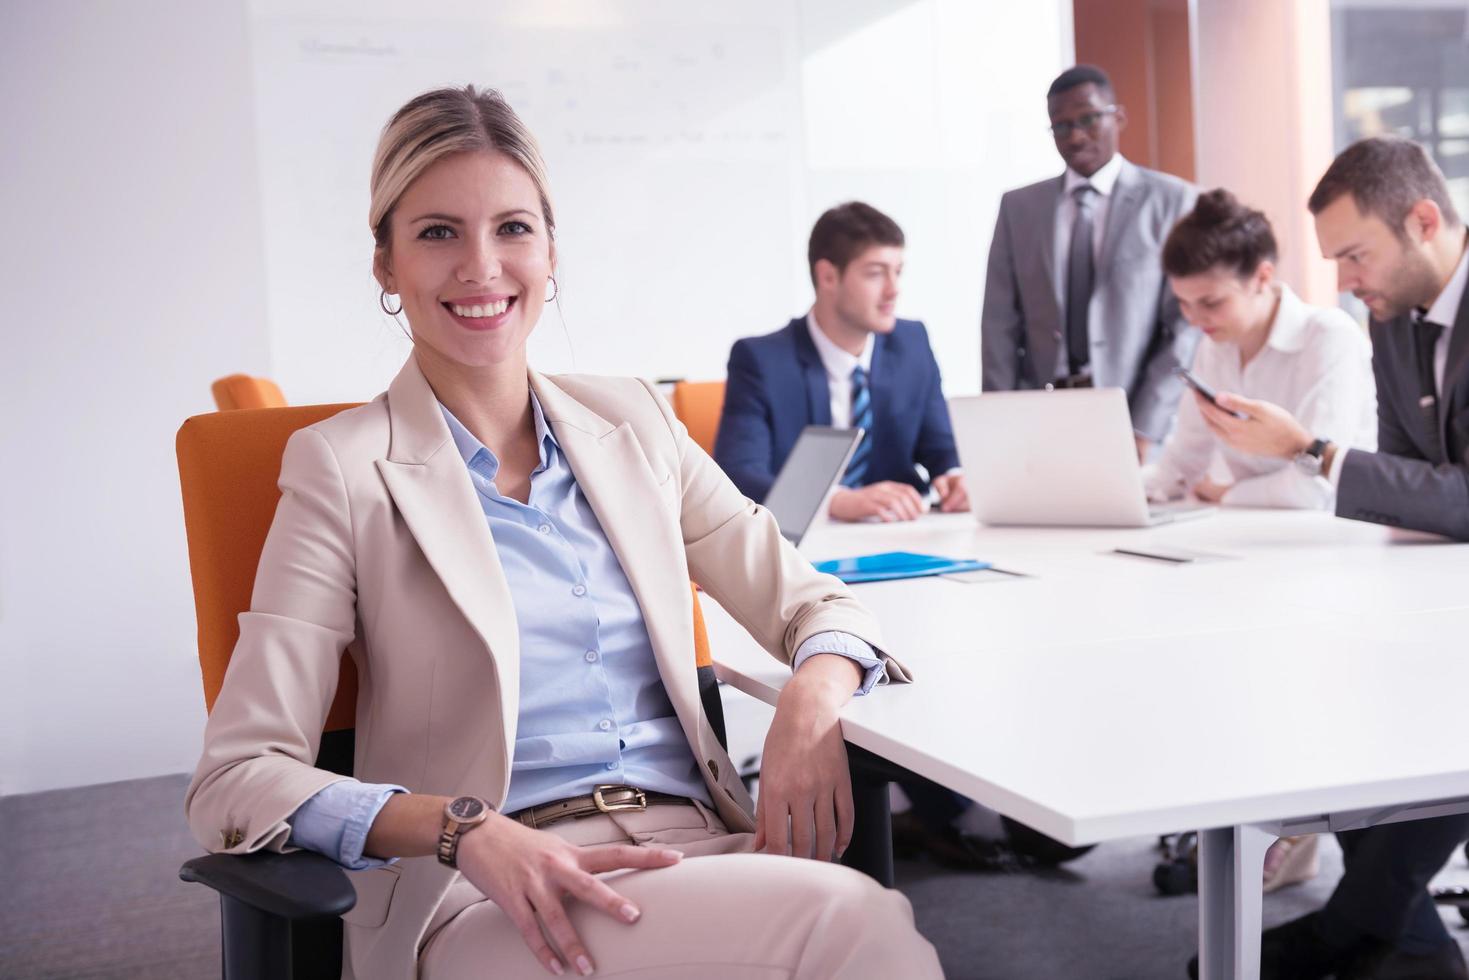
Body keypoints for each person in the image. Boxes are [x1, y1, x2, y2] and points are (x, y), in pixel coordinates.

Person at [184, 86, 943, 980]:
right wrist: (461, 832)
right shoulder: (342, 470)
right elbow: (237, 775)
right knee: (853, 925)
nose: (481, 266)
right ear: (385, 265)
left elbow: (815, 601)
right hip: (489, 897)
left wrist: (808, 704)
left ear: (549, 251)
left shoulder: (631, 423)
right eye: (437, 233)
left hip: (699, 850)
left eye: (512, 228)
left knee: (843, 923)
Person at [1185, 137, 1469, 980]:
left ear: (1424, 221)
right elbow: (1412, 478)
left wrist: (1311, 450)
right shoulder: (1392, 317)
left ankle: (1371, 932)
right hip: (1440, 589)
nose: (1343, 279)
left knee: (1408, 709)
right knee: (1354, 679)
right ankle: (1396, 937)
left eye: (1354, 254)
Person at [982, 64, 1199, 459]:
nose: (1076, 136)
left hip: (1131, 412)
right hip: (1040, 414)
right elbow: (999, 324)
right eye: (1060, 126)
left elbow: (1182, 327)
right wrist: (1000, 422)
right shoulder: (1018, 208)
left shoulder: (1172, 201)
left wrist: (1145, 425)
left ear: (1118, 117)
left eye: (1088, 119)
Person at [714, 202, 967, 522]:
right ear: (828, 276)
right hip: (806, 547)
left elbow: (940, 448)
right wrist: (835, 502)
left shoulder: (912, 343)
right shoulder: (761, 360)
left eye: (898, 271)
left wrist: (954, 476)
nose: (894, 289)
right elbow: (738, 477)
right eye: (876, 273)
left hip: (901, 532)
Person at [1145, 188, 1377, 509]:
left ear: (1262, 277)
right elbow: (1183, 459)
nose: (1195, 319)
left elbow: (1316, 488)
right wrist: (1128, 491)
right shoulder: (1216, 345)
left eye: (1211, 302)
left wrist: (1225, 494)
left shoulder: (1328, 338)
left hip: (1336, 536)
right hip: (1258, 533)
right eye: (1184, 304)